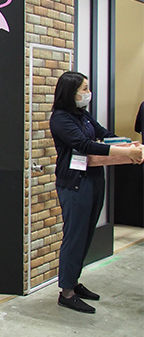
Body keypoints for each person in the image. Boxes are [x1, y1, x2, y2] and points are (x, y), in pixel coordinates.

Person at [50, 71, 143, 314]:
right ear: (71, 92)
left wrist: (128, 144)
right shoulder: (60, 118)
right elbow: (84, 145)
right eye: (84, 89)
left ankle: (74, 282)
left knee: (87, 234)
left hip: (93, 179)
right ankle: (66, 293)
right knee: (75, 236)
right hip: (74, 183)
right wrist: (125, 153)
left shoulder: (83, 115)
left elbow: (104, 135)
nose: (88, 93)